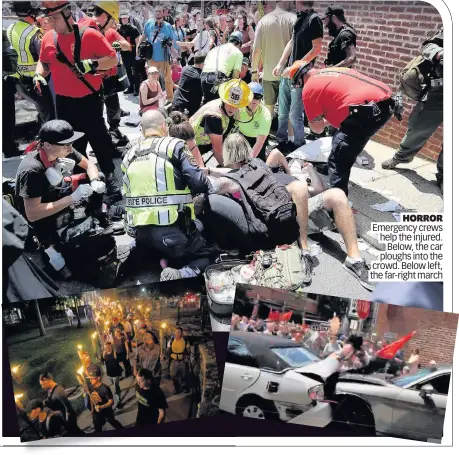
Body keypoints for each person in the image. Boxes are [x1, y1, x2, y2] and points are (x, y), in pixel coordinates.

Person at [204, 133, 374, 289]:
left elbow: (272, 155)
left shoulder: (259, 164)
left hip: (302, 212)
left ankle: (354, 259)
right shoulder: (243, 176)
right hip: (282, 218)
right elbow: (232, 174)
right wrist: (210, 172)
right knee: (299, 187)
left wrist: (293, 169)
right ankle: (304, 250)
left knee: (337, 195)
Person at [121, 110, 214, 281]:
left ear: (142, 129)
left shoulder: (128, 155)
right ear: (164, 126)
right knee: (205, 256)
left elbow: (125, 192)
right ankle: (181, 273)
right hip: (173, 231)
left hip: (140, 231)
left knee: (153, 248)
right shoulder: (175, 145)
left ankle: (135, 254)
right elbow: (199, 182)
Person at [37, 1, 119, 193]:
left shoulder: (90, 35)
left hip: (89, 99)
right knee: (70, 144)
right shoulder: (48, 38)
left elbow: (112, 58)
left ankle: (109, 174)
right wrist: (38, 74)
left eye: (55, 17)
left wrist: (93, 64)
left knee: (99, 139)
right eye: (49, 17)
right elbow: (44, 62)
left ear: (67, 14)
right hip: (64, 102)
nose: (51, 21)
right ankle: (79, 179)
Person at [14, 120, 113, 254]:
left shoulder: (63, 150)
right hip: (42, 213)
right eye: (66, 145)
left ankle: (98, 215)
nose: (71, 149)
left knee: (99, 176)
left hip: (59, 194)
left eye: (71, 144)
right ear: (48, 145)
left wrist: (95, 180)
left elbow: (89, 165)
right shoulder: (32, 170)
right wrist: (73, 197)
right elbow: (33, 214)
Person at [301, 67, 395, 195]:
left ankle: (336, 204)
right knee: (339, 142)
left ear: (299, 81)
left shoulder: (308, 89)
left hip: (366, 111)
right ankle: (330, 169)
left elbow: (317, 129)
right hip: (386, 101)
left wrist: (322, 119)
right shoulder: (330, 71)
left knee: (339, 155)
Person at [382, 27, 443, 192]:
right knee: (419, 126)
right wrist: (440, 54)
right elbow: (428, 47)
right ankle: (402, 157)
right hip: (440, 91)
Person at [273, 1, 324, 152]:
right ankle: (282, 141)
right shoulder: (300, 17)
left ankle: (298, 146)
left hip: (300, 75)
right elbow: (291, 42)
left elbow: (316, 49)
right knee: (282, 112)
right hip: (288, 73)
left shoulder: (314, 19)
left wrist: (296, 67)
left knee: (295, 115)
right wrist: (280, 64)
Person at [6, 2, 55, 135]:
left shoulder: (10, 28)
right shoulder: (35, 33)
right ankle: (48, 142)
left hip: (19, 81)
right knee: (49, 114)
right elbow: (45, 57)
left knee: (40, 112)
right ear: (31, 14)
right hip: (36, 81)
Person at [189, 79, 252, 166]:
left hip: (207, 143)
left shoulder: (231, 109)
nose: (232, 108)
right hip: (192, 147)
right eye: (229, 103)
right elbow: (217, 151)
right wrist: (230, 170)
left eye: (236, 106)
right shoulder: (214, 117)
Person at [251, 2, 296, 116]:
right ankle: (285, 133)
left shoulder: (263, 21)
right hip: (287, 74)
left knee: (268, 109)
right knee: (285, 110)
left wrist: (254, 71)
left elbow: (256, 50)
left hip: (268, 74)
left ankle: (267, 131)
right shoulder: (293, 19)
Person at [138, 4, 176, 101]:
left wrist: (172, 49)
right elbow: (143, 36)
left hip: (165, 58)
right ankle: (153, 98)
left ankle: (170, 99)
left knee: (167, 79)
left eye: (160, 11)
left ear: (163, 13)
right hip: (152, 58)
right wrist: (138, 47)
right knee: (153, 79)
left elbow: (172, 41)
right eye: (156, 11)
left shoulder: (168, 26)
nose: (158, 13)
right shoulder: (148, 24)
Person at [199, 31, 243, 104]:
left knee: (208, 105)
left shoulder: (216, 48)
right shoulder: (237, 52)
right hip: (218, 78)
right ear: (239, 43)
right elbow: (235, 76)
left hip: (204, 77)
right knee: (219, 106)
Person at [237, 82, 272, 160]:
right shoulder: (239, 107)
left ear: (261, 100)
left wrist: (249, 160)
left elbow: (259, 142)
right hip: (242, 136)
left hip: (257, 140)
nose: (254, 100)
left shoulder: (265, 115)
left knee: (257, 163)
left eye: (257, 97)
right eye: (251, 97)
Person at [86, 364, 124, 433]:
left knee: (113, 422)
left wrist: (102, 407)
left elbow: (111, 402)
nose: (90, 380)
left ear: (98, 378)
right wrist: (92, 409)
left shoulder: (105, 388)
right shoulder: (91, 387)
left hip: (107, 412)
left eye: (92, 378)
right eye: (90, 378)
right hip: (97, 412)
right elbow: (91, 397)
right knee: (97, 426)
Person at [170, 52, 206, 117]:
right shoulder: (201, 77)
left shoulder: (185, 69)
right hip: (187, 111)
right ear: (202, 63)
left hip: (176, 103)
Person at [118, 10, 141, 96]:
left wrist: (137, 53)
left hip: (133, 53)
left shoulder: (133, 29)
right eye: (123, 18)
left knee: (135, 71)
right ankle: (131, 86)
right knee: (128, 71)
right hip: (124, 53)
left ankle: (137, 88)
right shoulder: (119, 29)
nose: (125, 20)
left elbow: (138, 41)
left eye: (126, 18)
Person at [165, 327, 190, 394]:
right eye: (176, 332)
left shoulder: (185, 341)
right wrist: (166, 357)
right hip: (174, 361)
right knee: (173, 375)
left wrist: (187, 357)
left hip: (182, 361)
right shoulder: (171, 341)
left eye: (179, 332)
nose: (177, 333)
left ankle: (184, 387)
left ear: (181, 333)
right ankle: (177, 388)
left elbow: (188, 351)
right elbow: (168, 351)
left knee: (184, 375)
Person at [101, 341, 124, 408]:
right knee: (113, 384)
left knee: (116, 387)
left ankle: (118, 400)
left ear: (110, 346)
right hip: (109, 374)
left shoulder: (115, 353)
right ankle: (116, 392)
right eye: (105, 347)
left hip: (116, 374)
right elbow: (102, 362)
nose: (106, 348)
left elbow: (120, 362)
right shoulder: (104, 353)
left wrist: (123, 371)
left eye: (108, 347)